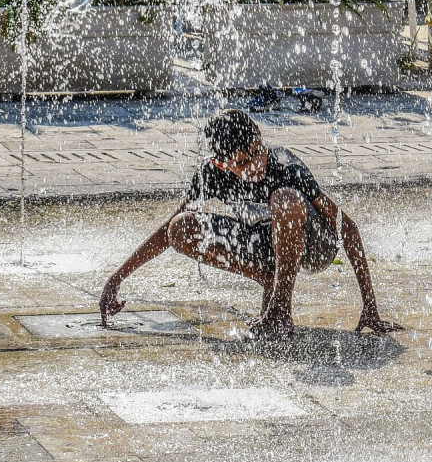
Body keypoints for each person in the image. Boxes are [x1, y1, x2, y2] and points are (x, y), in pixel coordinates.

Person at [100, 108, 402, 339]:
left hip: (315, 247)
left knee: (285, 199)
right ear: (221, 164)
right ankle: (268, 279)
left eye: (257, 152)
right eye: (243, 163)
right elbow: (165, 233)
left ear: (259, 133)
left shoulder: (285, 167)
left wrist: (370, 307)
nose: (256, 166)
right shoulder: (210, 174)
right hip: (265, 246)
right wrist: (117, 278)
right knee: (180, 228)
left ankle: (280, 309)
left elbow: (347, 228)